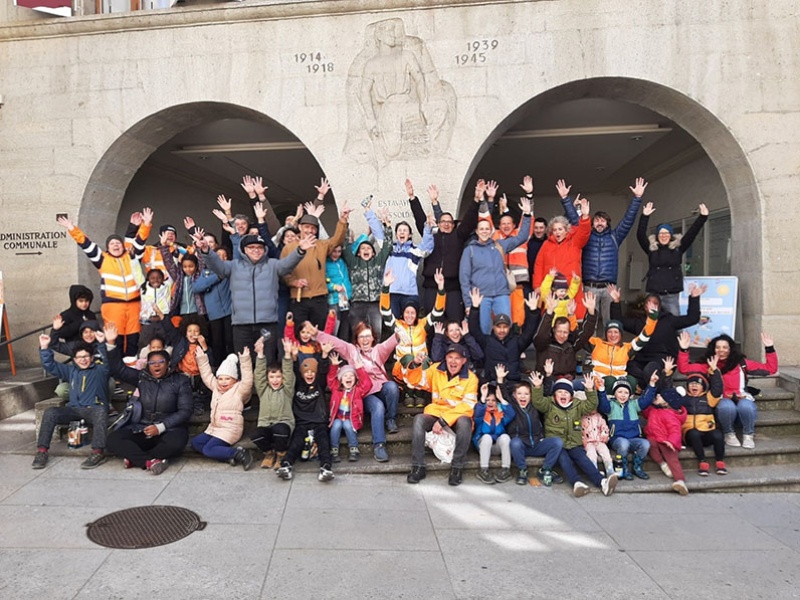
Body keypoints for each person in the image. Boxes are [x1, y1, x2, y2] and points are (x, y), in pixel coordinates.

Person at [195, 229, 311, 362]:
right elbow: (217, 265)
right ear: (244, 250)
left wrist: (300, 250)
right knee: (245, 363)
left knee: (267, 361)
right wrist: (205, 249)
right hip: (241, 325)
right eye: (252, 247)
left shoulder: (272, 265)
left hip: (267, 324)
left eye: (259, 247)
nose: (256, 250)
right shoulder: (234, 266)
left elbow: (286, 265)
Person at [58, 209, 153, 356]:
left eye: (118, 243)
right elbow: (85, 244)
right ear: (107, 248)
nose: (116, 245)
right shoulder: (102, 259)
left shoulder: (131, 257)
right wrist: (72, 228)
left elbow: (140, 242)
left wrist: (146, 224)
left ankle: (132, 372)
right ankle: (116, 373)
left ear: (123, 246)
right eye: (112, 244)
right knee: (115, 339)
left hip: (134, 305)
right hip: (113, 306)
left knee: (133, 339)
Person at [104, 323, 193, 475]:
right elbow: (118, 369)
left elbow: (185, 411)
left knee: (176, 443)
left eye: (160, 362)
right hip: (143, 427)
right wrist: (111, 344)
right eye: (152, 363)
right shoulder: (141, 378)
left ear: (168, 364)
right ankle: (150, 461)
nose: (156, 365)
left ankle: (136, 458)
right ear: (147, 365)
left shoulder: (180, 381)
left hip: (169, 429)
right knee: (112, 440)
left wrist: (161, 427)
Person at [565, 177, 646, 331]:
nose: (600, 223)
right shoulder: (586, 237)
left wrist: (637, 198)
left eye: (603, 221)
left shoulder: (615, 237)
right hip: (590, 287)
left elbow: (628, 220)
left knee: (611, 324)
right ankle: (591, 352)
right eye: (596, 220)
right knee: (590, 324)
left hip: (610, 288)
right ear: (592, 223)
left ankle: (610, 353)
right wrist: (566, 200)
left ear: (608, 223)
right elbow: (576, 222)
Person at [679, 330, 777, 449]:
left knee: (746, 406)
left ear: (730, 349)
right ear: (713, 349)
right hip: (720, 401)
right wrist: (684, 350)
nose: (721, 350)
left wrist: (769, 348)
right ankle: (729, 433)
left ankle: (748, 434)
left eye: (725, 347)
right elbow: (684, 369)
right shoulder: (707, 364)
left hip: (741, 397)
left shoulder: (741, 363)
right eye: (718, 347)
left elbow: (770, 369)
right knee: (727, 405)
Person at [316, 323, 399, 461]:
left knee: (392, 387)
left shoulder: (378, 350)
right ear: (356, 339)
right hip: (364, 393)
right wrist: (316, 333)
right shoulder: (351, 351)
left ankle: (390, 419)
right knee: (378, 407)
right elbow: (336, 342)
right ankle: (379, 445)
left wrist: (399, 333)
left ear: (373, 338)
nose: (365, 340)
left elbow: (390, 343)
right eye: (361, 337)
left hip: (381, 387)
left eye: (368, 336)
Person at [530, 372, 618, 497]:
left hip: (574, 443)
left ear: (571, 395)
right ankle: (576, 482)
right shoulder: (549, 404)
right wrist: (538, 387)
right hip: (558, 445)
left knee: (583, 459)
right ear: (554, 395)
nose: (563, 395)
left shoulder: (577, 405)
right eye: (559, 392)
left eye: (566, 392)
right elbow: (538, 402)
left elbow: (592, 405)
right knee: (565, 460)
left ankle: (602, 482)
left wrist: (589, 390)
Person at [405, 343, 479, 486]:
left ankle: (457, 467)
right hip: (436, 412)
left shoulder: (471, 379)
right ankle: (418, 466)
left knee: (465, 423)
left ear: (464, 361)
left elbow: (468, 406)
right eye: (450, 357)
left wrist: (444, 421)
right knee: (419, 419)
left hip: (456, 417)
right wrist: (415, 364)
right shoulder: (436, 370)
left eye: (457, 358)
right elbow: (416, 382)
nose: (453, 361)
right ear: (445, 358)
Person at [33, 333, 110, 470]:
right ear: (74, 360)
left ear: (92, 358)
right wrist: (45, 348)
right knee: (50, 412)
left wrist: (102, 343)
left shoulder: (100, 370)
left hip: (93, 409)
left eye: (86, 356)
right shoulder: (71, 371)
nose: (83, 360)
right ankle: (42, 452)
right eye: (79, 357)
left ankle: (97, 452)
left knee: (100, 412)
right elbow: (50, 366)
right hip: (73, 409)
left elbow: (106, 360)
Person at [406, 178, 480, 322]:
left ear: (453, 225)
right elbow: (420, 218)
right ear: (438, 224)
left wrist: (476, 199)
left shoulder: (458, 237)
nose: (446, 224)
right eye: (443, 222)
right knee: (432, 324)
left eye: (449, 222)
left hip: (453, 289)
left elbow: (470, 219)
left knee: (454, 323)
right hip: (431, 288)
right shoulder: (431, 237)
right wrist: (412, 198)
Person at [281, 180, 350, 328]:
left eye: (313, 228)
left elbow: (337, 239)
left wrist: (343, 219)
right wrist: (293, 282)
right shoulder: (289, 247)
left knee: (320, 334)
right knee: (301, 335)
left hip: (319, 299)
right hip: (299, 298)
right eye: (306, 227)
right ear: (299, 227)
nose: (310, 231)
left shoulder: (321, 245)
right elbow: (283, 271)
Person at [609, 283, 704, 389]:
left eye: (655, 304)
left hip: (663, 359)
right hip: (642, 359)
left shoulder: (669, 320)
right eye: (649, 304)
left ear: (659, 306)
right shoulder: (639, 322)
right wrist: (616, 302)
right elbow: (618, 322)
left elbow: (692, 318)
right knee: (629, 367)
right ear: (645, 307)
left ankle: (651, 389)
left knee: (650, 370)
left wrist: (694, 298)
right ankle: (649, 388)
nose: (651, 306)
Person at [460, 197, 533, 334]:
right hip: (481, 296)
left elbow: (522, 237)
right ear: (477, 231)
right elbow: (464, 279)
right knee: (484, 330)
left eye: (487, 229)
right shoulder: (469, 250)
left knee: (506, 329)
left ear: (491, 231)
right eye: (481, 229)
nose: (484, 231)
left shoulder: (500, 245)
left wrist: (527, 215)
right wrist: (468, 303)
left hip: (501, 295)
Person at [381, 268, 445, 406]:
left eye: (413, 313)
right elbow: (385, 311)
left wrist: (441, 289)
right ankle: (408, 392)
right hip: (402, 366)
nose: (409, 315)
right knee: (409, 359)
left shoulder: (422, 324)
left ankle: (420, 393)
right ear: (403, 313)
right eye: (407, 312)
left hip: (421, 366)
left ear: (417, 314)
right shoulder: (398, 325)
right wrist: (386, 287)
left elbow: (438, 311)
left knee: (425, 360)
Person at [636, 201, 708, 316]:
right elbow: (640, 235)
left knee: (675, 322)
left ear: (671, 236)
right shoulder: (651, 249)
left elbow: (692, 233)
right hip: (654, 292)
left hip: (671, 294)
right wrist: (645, 216)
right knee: (651, 323)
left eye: (666, 233)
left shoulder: (678, 248)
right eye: (661, 233)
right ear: (657, 236)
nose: (663, 236)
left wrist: (702, 218)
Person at [276, 346, 335, 483]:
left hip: (319, 421)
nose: (309, 374)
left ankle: (326, 467)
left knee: (324, 443)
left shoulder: (319, 384)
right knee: (296, 442)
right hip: (301, 421)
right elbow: (295, 370)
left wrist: (325, 355)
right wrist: (294, 357)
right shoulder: (297, 384)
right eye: (306, 372)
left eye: (312, 372)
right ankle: (286, 465)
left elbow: (323, 370)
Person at [533, 182, 591, 319]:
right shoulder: (546, 245)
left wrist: (585, 217)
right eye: (554, 229)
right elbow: (538, 266)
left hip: (572, 291)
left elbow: (584, 232)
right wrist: (537, 286)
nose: (557, 232)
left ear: (567, 230)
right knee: (551, 322)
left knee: (574, 321)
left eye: (560, 229)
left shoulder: (574, 242)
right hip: (551, 291)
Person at [190, 347, 254, 470]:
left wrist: (245, 360)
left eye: (227, 379)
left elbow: (248, 380)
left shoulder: (239, 390)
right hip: (214, 428)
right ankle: (227, 457)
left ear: (235, 380)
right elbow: (207, 375)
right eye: (220, 378)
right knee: (196, 443)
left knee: (208, 449)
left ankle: (239, 453)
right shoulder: (216, 387)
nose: (223, 382)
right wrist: (202, 359)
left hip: (230, 429)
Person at [503, 369, 564, 486]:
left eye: (526, 394)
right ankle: (522, 470)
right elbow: (504, 393)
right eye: (519, 394)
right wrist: (500, 380)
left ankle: (545, 469)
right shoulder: (513, 406)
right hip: (521, 446)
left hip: (537, 443)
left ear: (531, 396)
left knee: (557, 442)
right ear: (514, 396)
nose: (523, 396)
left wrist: (548, 376)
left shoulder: (535, 406)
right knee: (514, 443)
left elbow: (545, 394)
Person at [672, 349, 727, 476]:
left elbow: (718, 388)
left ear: (703, 386)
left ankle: (720, 462)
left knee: (718, 435)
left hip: (706, 430)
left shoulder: (708, 398)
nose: (694, 386)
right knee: (694, 434)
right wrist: (668, 373)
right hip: (689, 434)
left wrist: (714, 371)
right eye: (691, 383)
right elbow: (667, 390)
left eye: (697, 384)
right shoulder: (683, 398)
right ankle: (702, 462)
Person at [468, 287, 541, 382]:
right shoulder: (487, 341)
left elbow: (530, 331)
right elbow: (474, 330)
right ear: (493, 327)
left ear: (509, 328)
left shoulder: (517, 342)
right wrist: (475, 307)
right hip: (492, 383)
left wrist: (533, 311)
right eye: (499, 327)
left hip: (513, 383)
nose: (501, 330)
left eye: (505, 327)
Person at [343, 201, 393, 336]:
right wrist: (345, 221)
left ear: (373, 252)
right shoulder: (353, 262)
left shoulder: (378, 262)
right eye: (363, 248)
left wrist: (387, 225)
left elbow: (387, 246)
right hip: (357, 304)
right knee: (357, 334)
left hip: (375, 304)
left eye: (369, 248)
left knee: (375, 334)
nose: (366, 250)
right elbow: (344, 245)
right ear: (358, 252)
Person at [597, 372, 659, 480]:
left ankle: (637, 467)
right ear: (614, 394)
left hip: (634, 437)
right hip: (618, 438)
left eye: (626, 392)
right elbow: (603, 406)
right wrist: (601, 389)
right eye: (620, 392)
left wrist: (652, 384)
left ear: (630, 395)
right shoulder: (611, 405)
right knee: (624, 444)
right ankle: (623, 467)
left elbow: (646, 400)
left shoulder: (634, 404)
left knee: (645, 444)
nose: (623, 395)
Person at [251, 337, 296, 469]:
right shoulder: (263, 390)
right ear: (267, 378)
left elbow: (288, 372)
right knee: (256, 435)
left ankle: (281, 454)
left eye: (278, 377)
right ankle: (269, 453)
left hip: (283, 422)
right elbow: (259, 375)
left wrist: (287, 355)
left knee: (279, 430)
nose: (275, 380)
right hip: (266, 423)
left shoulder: (287, 390)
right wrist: (260, 354)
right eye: (271, 377)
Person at [534, 293, 598, 382]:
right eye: (559, 331)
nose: (562, 335)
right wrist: (549, 312)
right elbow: (541, 335)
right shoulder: (544, 344)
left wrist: (591, 312)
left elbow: (586, 333)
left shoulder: (572, 344)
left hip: (568, 381)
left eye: (565, 332)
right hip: (547, 381)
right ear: (553, 330)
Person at [642, 376, 689, 495]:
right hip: (652, 437)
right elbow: (645, 411)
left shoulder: (670, 415)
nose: (657, 396)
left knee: (672, 459)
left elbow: (675, 430)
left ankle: (680, 480)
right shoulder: (654, 409)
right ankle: (662, 464)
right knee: (650, 446)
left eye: (660, 396)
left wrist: (671, 442)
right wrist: (647, 399)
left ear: (667, 402)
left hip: (666, 441)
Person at [384, 215, 434, 318]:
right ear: (396, 234)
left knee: (411, 323)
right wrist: (368, 211)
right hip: (392, 292)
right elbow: (379, 235)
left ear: (410, 235)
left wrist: (428, 227)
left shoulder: (414, 250)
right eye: (399, 230)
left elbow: (427, 247)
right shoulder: (389, 248)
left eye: (405, 230)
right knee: (394, 325)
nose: (402, 232)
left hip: (410, 293)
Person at [327, 352, 371, 462]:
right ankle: (334, 450)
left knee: (347, 425)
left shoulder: (357, 391)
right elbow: (331, 379)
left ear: (355, 379)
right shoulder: (336, 389)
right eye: (345, 376)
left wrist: (360, 369)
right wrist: (334, 366)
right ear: (341, 380)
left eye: (351, 376)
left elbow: (367, 384)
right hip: (337, 418)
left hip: (351, 419)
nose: (348, 378)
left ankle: (354, 449)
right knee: (336, 426)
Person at [193, 246, 234, 363]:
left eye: (225, 255)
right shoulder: (206, 272)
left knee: (230, 341)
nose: (222, 257)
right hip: (214, 313)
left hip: (229, 311)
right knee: (217, 342)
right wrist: (216, 277)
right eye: (219, 254)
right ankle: (219, 368)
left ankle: (233, 367)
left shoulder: (229, 271)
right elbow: (196, 288)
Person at [472, 376, 516, 484]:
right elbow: (478, 412)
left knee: (505, 437)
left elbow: (511, 414)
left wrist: (501, 399)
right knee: (486, 437)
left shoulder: (499, 413)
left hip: (496, 447)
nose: (490, 403)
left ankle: (506, 469)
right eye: (487, 400)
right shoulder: (481, 414)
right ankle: (483, 470)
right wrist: (482, 398)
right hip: (483, 446)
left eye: (493, 400)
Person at [326, 243, 353, 342]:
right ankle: (332, 351)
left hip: (345, 298)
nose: (336, 254)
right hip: (333, 300)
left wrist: (366, 235)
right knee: (334, 327)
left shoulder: (342, 262)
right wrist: (333, 286)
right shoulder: (325, 264)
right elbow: (322, 283)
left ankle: (344, 353)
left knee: (345, 327)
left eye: (339, 252)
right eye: (334, 251)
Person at [581, 409, 613, 480]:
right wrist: (583, 439)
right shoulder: (582, 418)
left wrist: (604, 435)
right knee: (591, 454)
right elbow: (580, 430)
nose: (592, 410)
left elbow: (604, 427)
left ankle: (610, 471)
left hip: (599, 440)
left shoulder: (599, 417)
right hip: (588, 442)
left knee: (605, 452)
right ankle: (594, 472)